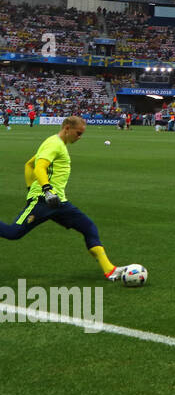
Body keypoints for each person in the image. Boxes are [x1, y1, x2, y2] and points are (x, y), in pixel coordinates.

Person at [0, 116, 123, 281]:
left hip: (58, 202)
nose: (79, 137)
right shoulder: (54, 144)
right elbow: (39, 167)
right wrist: (45, 191)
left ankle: (110, 270)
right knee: (13, 233)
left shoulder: (59, 145)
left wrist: (31, 188)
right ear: (67, 128)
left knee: (88, 227)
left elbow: (29, 165)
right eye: (78, 133)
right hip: (44, 201)